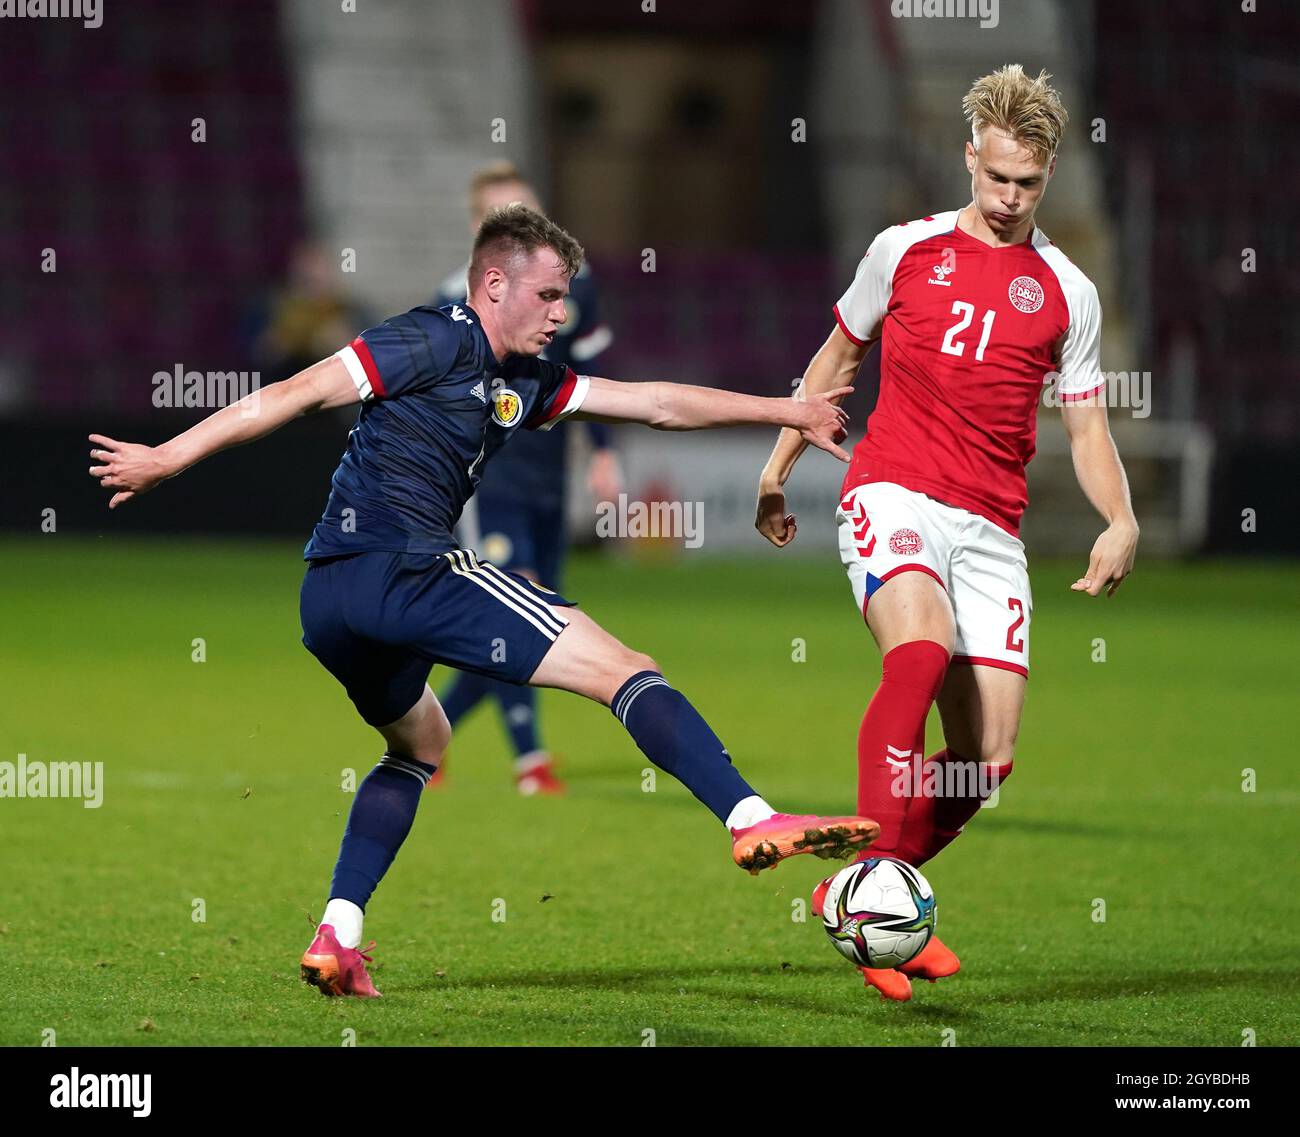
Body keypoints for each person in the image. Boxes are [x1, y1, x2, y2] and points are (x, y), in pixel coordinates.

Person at [89, 203, 880, 998]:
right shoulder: (432, 336)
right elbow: (298, 390)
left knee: (420, 746)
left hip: (329, 599)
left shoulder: (527, 379)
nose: (562, 312)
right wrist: (167, 456)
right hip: (408, 570)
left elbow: (654, 402)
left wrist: (787, 410)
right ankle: (750, 819)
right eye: (548, 295)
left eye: (567, 297)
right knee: (625, 667)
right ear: (494, 283)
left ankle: (339, 933)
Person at [755, 65, 1139, 1002]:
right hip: (893, 489)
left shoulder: (1066, 291)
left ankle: (861, 896)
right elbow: (838, 356)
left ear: (1046, 177)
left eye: (1030, 184)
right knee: (917, 654)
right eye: (998, 176)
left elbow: (1087, 428)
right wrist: (777, 466)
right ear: (970, 157)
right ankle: (879, 890)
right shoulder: (903, 251)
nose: (1011, 199)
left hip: (991, 527)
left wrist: (1119, 517)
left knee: (986, 757)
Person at [431, 163, 621, 795]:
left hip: (550, 474)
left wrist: (601, 451)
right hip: (492, 479)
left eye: (528, 207)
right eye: (504, 212)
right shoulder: (451, 302)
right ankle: (528, 762)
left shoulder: (574, 288)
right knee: (522, 608)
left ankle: (433, 735)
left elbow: (590, 367)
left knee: (542, 618)